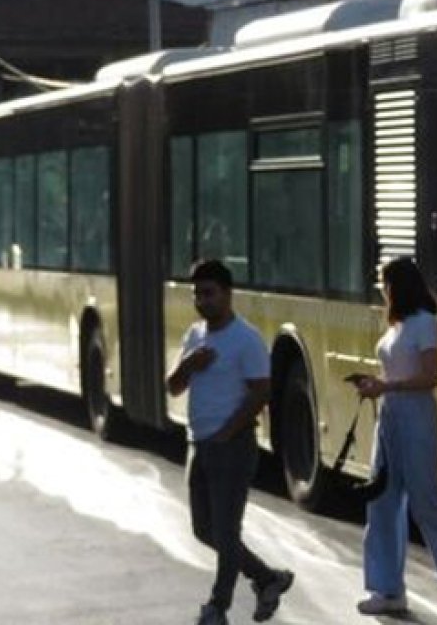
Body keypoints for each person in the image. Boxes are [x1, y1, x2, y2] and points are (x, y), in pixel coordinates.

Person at [351, 257, 437, 615]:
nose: (382, 291)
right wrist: (375, 383)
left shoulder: (424, 323)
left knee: (424, 498)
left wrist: (386, 385)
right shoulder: (397, 327)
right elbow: (396, 370)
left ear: (397, 286)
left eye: (384, 284)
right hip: (391, 416)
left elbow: (431, 377)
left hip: (416, 417)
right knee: (381, 499)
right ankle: (387, 588)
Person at [165, 259, 293, 625]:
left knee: (225, 530)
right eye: (197, 295)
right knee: (204, 530)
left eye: (209, 293)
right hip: (198, 444)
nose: (202, 301)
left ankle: (216, 608)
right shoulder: (195, 335)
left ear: (227, 294)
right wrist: (189, 364)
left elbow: (261, 393)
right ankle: (268, 578)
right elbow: (173, 386)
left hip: (232, 447)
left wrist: (228, 431)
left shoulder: (246, 339)